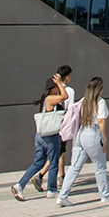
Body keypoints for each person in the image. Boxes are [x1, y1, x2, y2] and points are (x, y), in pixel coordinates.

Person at [56, 77, 109, 206]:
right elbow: (101, 120)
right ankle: (105, 195)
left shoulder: (84, 101)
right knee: (100, 167)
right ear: (99, 89)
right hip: (93, 134)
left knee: (74, 167)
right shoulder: (100, 102)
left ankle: (62, 195)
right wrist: (105, 137)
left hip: (80, 133)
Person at [12, 75, 69, 201]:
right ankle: (52, 190)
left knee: (38, 163)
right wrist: (60, 83)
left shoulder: (46, 99)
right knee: (53, 162)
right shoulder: (50, 98)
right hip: (50, 136)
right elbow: (65, 96)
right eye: (56, 87)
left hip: (41, 135)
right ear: (52, 88)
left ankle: (19, 185)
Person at [29, 65, 74, 193]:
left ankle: (61, 176)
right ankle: (43, 178)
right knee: (57, 153)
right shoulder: (67, 91)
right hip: (59, 126)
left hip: (52, 127)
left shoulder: (50, 94)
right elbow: (69, 108)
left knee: (60, 152)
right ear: (67, 77)